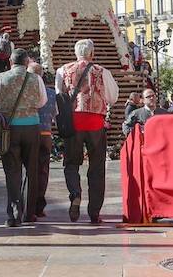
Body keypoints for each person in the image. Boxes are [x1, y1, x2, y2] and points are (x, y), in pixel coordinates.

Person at [56, 39, 119, 224]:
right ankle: (94, 211)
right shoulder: (102, 71)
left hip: (73, 123)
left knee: (71, 164)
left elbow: (60, 95)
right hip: (95, 124)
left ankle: (75, 193)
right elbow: (112, 97)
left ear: (76, 53)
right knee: (97, 168)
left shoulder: (63, 70)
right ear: (92, 53)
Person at [0, 48, 48, 227]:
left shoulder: (0, 78)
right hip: (31, 126)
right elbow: (41, 102)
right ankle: (29, 213)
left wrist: (5, 101)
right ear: (27, 63)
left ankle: (14, 214)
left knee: (12, 171)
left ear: (10, 62)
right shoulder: (36, 79)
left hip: (9, 128)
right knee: (32, 170)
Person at [35, 64, 57, 219]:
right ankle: (39, 205)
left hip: (27, 133)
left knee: (28, 170)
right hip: (45, 133)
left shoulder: (26, 91)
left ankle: (27, 203)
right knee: (43, 171)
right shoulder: (51, 93)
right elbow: (56, 114)